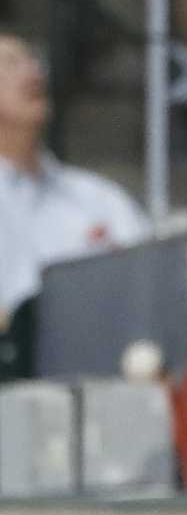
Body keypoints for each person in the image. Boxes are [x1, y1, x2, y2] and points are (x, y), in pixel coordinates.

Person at [0, 30, 149, 327]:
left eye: (33, 60)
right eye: (9, 63)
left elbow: (152, 285)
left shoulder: (101, 199)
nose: (33, 71)